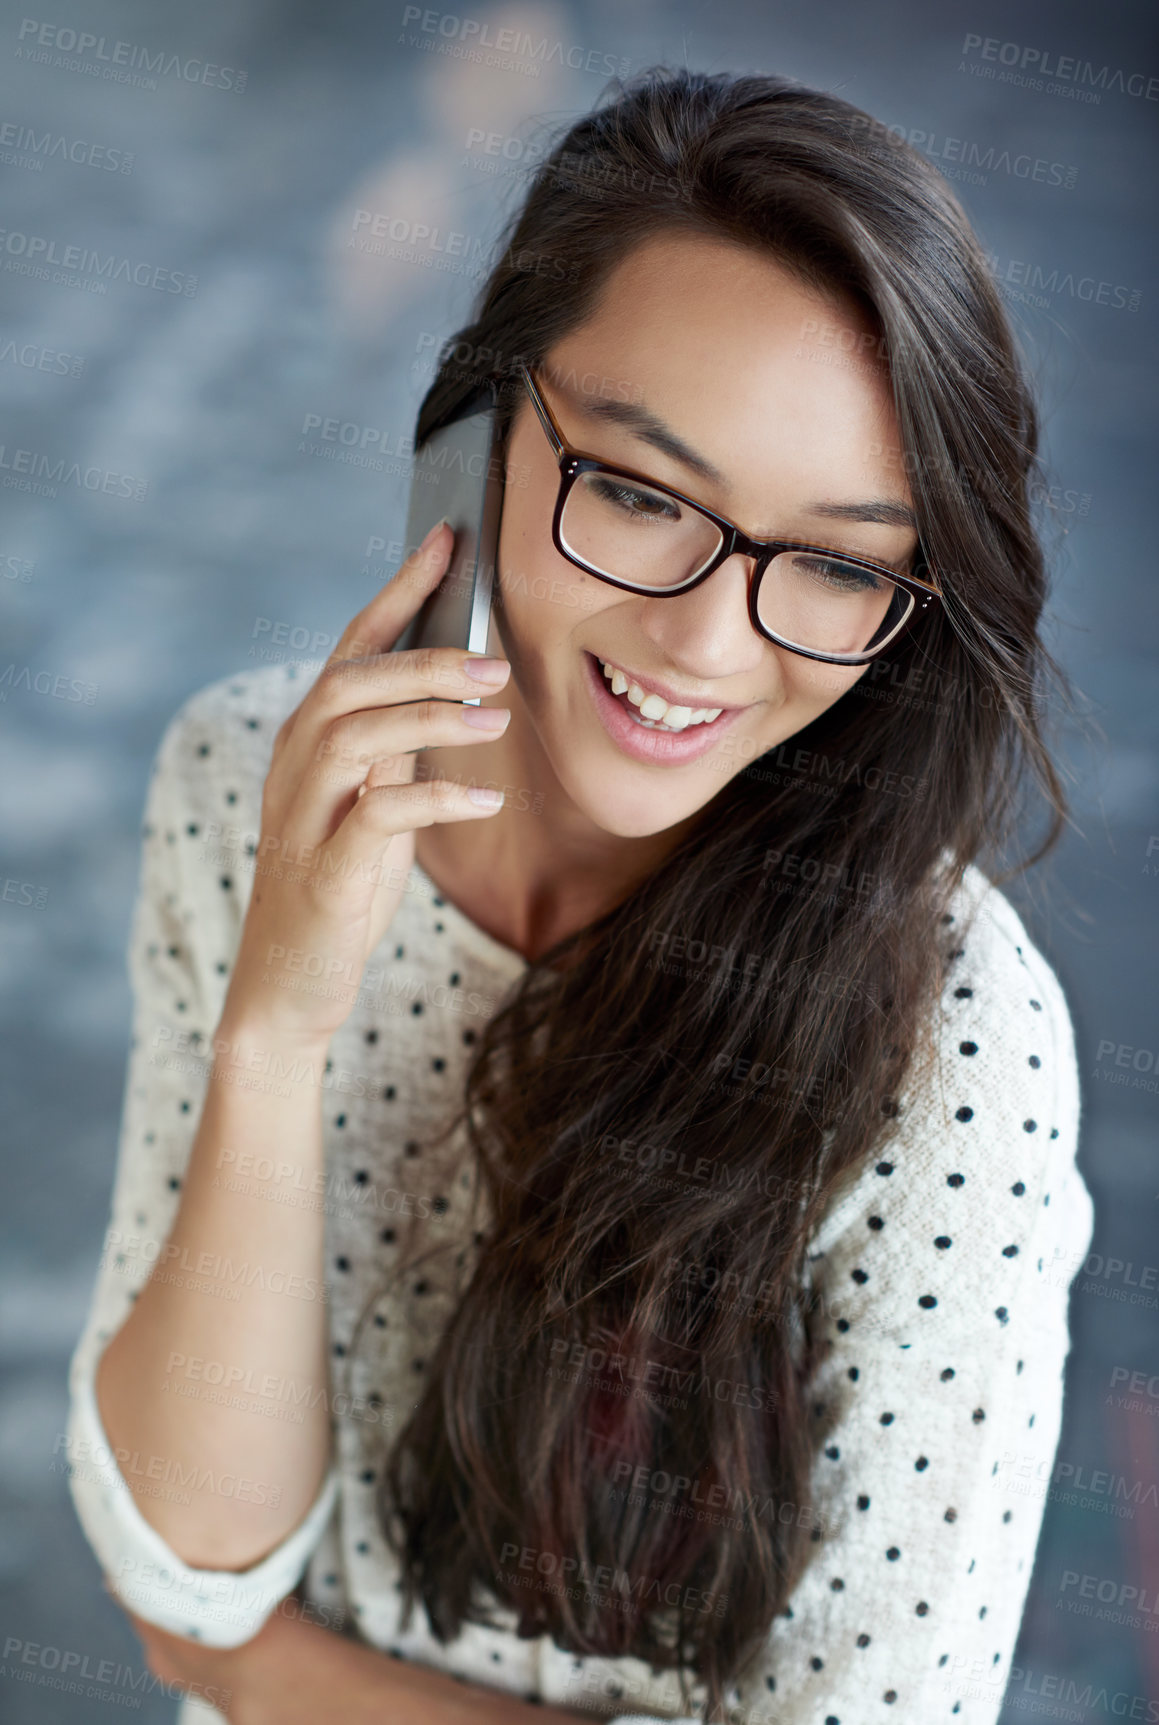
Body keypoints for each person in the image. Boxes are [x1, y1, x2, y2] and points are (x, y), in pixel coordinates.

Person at [66, 66, 1093, 1725]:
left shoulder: (954, 1033)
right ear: (476, 437)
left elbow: (212, 1641)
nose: (704, 644)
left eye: (835, 563)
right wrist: (279, 1023)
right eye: (634, 490)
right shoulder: (256, 779)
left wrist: (267, 1672)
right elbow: (189, 1563)